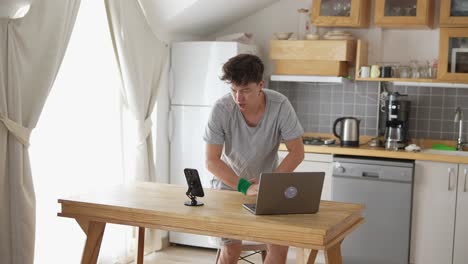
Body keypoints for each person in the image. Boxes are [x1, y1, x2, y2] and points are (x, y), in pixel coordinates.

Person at [203, 53, 305, 264]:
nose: (239, 98)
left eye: (245, 91)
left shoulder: (280, 105)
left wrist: (269, 183)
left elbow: (297, 152)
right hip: (229, 186)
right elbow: (211, 160)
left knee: (279, 247)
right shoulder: (221, 109)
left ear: (260, 85)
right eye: (234, 91)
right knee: (231, 251)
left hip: (269, 185)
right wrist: (243, 186)